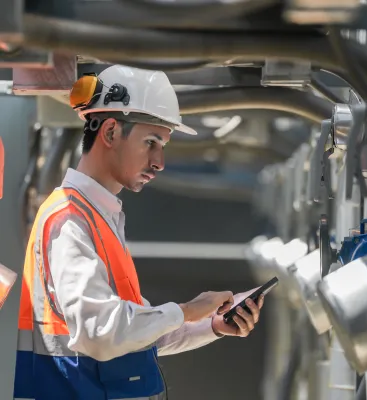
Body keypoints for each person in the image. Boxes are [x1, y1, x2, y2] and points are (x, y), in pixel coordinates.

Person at [14, 65, 265, 400]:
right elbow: (101, 332)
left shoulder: (99, 217)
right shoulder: (69, 220)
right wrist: (189, 309)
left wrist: (214, 325)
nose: (159, 161)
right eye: (150, 142)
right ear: (110, 133)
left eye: (162, 145)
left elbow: (138, 333)